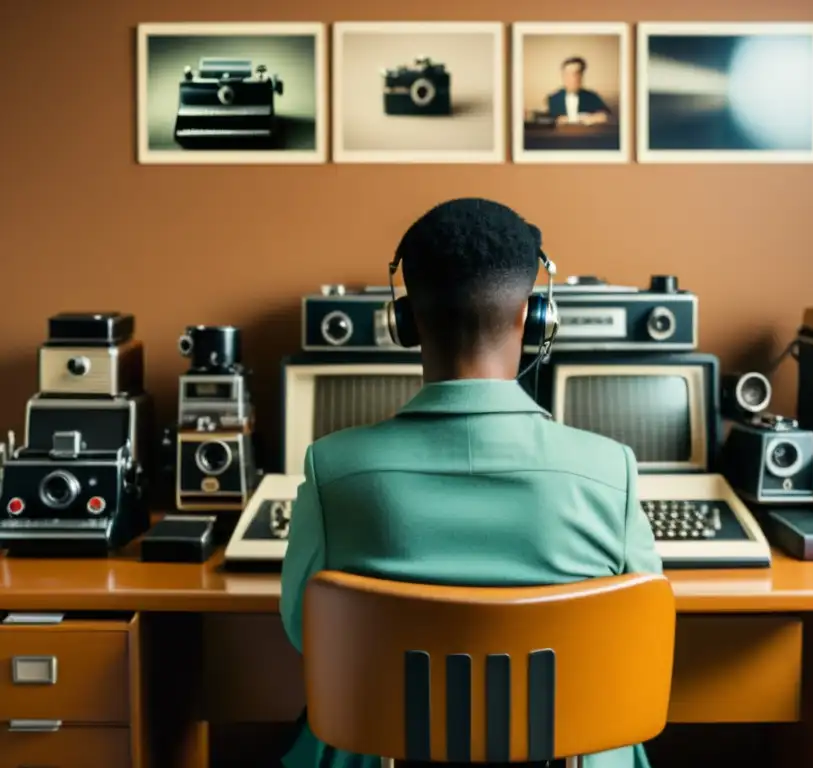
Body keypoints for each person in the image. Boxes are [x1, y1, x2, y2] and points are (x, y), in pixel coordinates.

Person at [280, 198, 661, 768]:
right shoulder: (612, 472)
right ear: (534, 317)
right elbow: (638, 648)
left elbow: (304, 635)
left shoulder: (330, 469)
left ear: (404, 321)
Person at [546, 56, 611, 126]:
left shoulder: (592, 97)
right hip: (561, 136)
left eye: (575, 74)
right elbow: (549, 121)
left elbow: (606, 117)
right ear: (563, 76)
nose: (571, 78)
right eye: (567, 74)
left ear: (581, 76)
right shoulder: (553, 98)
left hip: (586, 135)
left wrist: (585, 118)